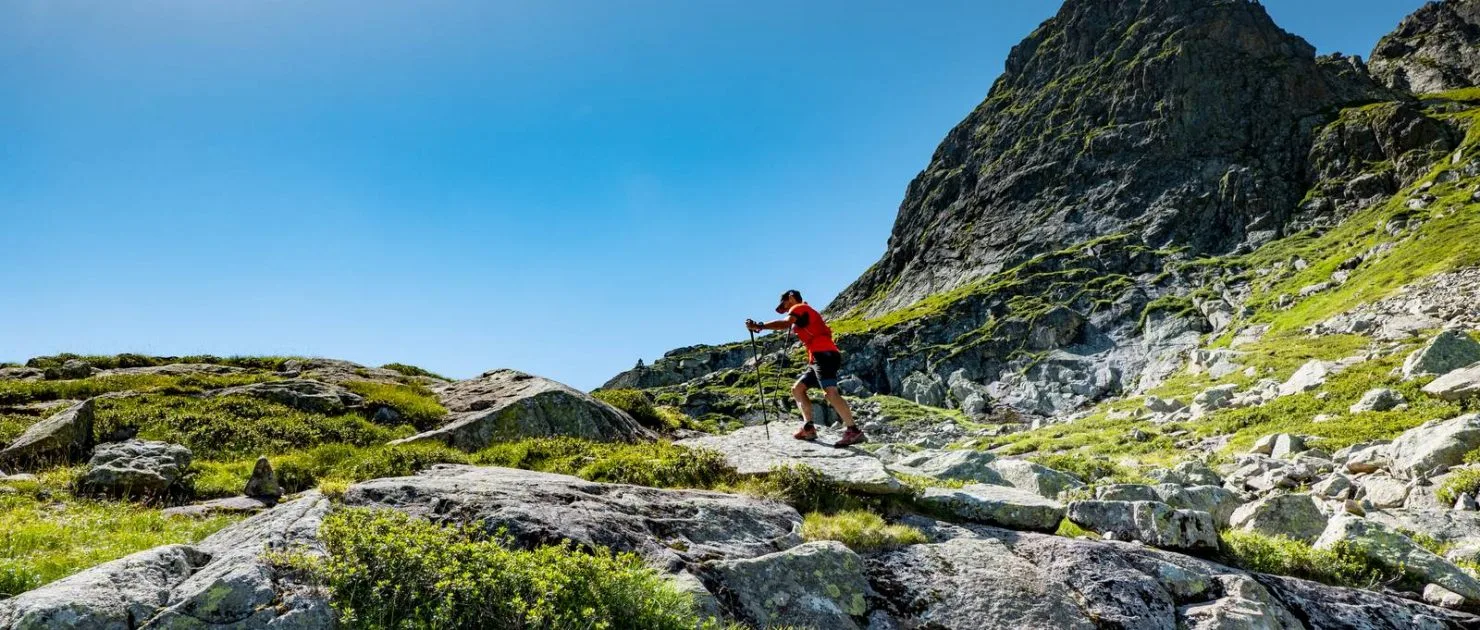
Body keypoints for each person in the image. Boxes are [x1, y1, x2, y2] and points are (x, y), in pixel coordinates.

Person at [746, 290, 867, 447]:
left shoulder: (799, 308)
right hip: (819, 357)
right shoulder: (805, 312)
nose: (784, 308)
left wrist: (759, 326)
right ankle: (808, 427)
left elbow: (785, 324)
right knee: (797, 389)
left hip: (823, 354)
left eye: (784, 304)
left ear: (790, 297)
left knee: (830, 393)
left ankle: (853, 430)